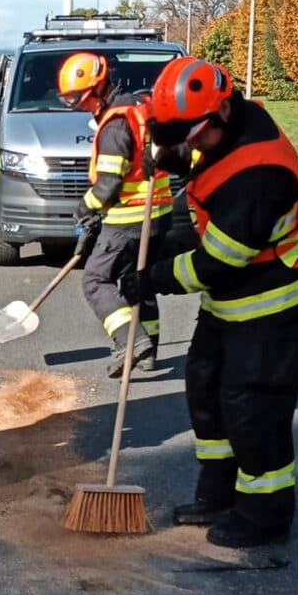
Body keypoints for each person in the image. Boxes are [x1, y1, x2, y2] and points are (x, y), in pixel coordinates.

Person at [119, 56, 298, 549]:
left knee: (253, 409)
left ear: (223, 110)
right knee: (206, 389)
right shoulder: (225, 127)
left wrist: (153, 279)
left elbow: (215, 264)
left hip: (271, 305)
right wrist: (170, 156)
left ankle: (264, 514)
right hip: (229, 304)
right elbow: (205, 153)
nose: (185, 142)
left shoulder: (259, 178)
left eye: (191, 134)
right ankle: (218, 492)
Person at [57, 51, 176, 379]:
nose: (80, 107)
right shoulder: (140, 106)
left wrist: (85, 209)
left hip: (130, 219)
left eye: (80, 99)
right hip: (159, 213)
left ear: (97, 88)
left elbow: (109, 185)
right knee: (138, 281)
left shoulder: (115, 125)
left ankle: (131, 341)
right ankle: (149, 349)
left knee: (96, 281)